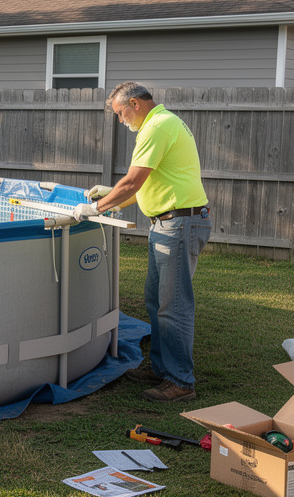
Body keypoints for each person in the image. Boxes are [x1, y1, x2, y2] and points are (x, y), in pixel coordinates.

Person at [73, 82, 210, 402]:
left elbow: (134, 180)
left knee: (173, 305)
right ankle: (164, 370)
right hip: (171, 223)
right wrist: (111, 194)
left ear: (134, 104)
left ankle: (180, 382)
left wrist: (94, 208)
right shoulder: (164, 123)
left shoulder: (157, 128)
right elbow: (143, 185)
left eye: (121, 114)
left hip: (180, 224)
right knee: (157, 300)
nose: (121, 121)